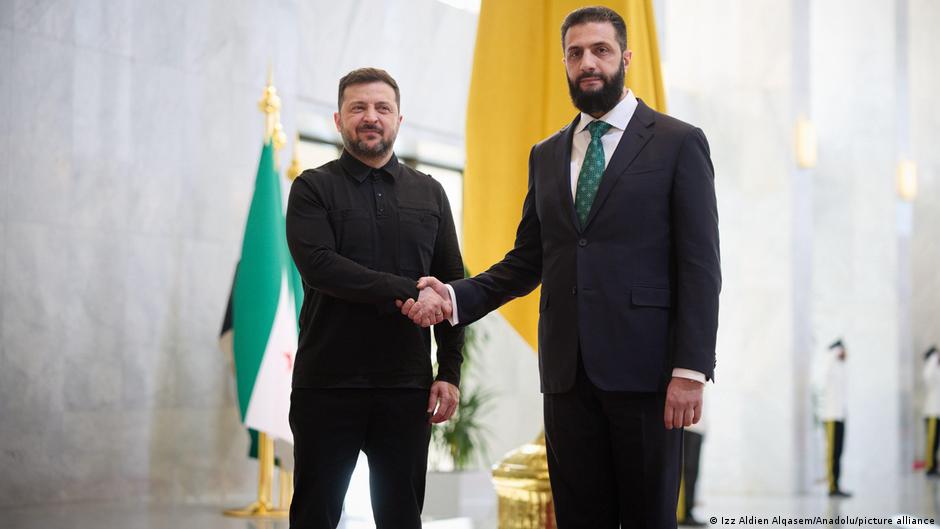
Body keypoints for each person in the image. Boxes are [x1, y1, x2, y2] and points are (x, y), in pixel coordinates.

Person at [401, 6, 720, 528]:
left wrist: (690, 371)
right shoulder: (546, 154)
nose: (587, 62)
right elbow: (528, 260)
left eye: (600, 50)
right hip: (567, 378)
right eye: (575, 53)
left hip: (648, 377)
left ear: (626, 58)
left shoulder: (677, 142)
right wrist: (454, 296)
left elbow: (700, 267)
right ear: (565, 63)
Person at [285, 67, 464, 529]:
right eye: (358, 108)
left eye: (382, 108)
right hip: (327, 386)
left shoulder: (431, 193)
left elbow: (450, 284)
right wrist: (408, 289)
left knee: (402, 519)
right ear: (338, 120)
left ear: (398, 120)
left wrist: (448, 371)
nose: (371, 117)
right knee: (314, 517)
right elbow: (321, 267)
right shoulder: (312, 188)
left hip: (406, 389)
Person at [816, 339, 851, 498]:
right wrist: (833, 353)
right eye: (842, 350)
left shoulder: (840, 368)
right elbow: (823, 376)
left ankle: (837, 484)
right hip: (830, 416)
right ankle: (831, 486)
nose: (845, 353)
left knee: (838, 452)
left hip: (840, 416)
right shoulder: (829, 364)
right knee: (831, 453)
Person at [924, 345, 940, 478]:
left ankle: (934, 466)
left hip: (937, 412)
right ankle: (930, 467)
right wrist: (933, 358)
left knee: (936, 442)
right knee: (931, 442)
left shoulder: (937, 370)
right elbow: (928, 378)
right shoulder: (930, 368)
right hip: (932, 413)